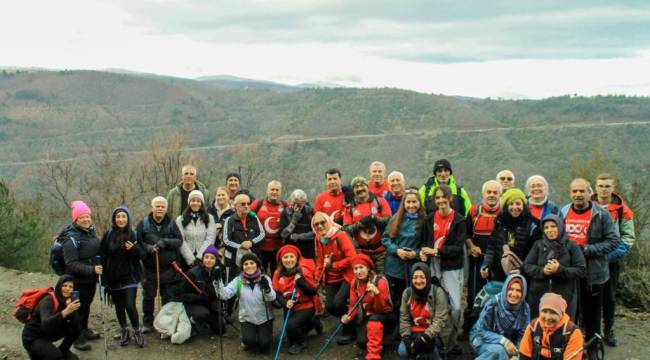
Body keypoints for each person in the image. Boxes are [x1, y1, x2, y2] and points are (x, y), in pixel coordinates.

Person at [560, 178, 618, 347]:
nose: (578, 195)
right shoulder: (563, 212)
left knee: (592, 313)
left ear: (589, 193)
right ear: (570, 193)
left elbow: (613, 241)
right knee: (570, 311)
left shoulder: (601, 214)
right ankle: (570, 347)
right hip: (568, 271)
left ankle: (593, 347)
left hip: (593, 272)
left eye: (581, 191)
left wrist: (586, 249)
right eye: (574, 191)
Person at [420, 184, 466, 355]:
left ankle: (452, 340)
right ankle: (436, 342)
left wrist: (437, 251)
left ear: (450, 199)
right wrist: (424, 253)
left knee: (455, 307)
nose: (440, 201)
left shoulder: (459, 220)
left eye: (443, 197)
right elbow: (425, 242)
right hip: (432, 266)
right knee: (432, 304)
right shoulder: (429, 218)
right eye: (437, 198)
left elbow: (458, 247)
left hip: (451, 267)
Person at [592, 173, 635, 347]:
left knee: (609, 297)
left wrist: (608, 256)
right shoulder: (587, 206)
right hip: (590, 260)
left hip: (611, 261)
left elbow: (628, 238)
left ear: (613, 187)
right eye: (601, 185)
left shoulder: (622, 209)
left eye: (607, 186)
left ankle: (608, 330)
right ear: (595, 187)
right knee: (589, 295)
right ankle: (589, 329)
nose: (604, 189)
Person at [522, 214, 585, 319]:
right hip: (538, 296)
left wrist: (559, 270)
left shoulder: (572, 246)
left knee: (562, 327)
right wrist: (542, 271)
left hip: (565, 296)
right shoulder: (538, 245)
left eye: (553, 226)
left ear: (560, 227)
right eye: (546, 227)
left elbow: (581, 270)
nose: (549, 230)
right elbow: (527, 266)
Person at [99, 205, 145, 347]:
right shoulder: (108, 235)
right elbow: (103, 255)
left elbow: (142, 254)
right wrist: (104, 277)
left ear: (128, 219)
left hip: (129, 277)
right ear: (114, 219)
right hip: (112, 278)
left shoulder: (134, 234)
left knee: (130, 306)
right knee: (119, 306)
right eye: (118, 217)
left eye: (123, 216)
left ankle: (137, 331)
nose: (120, 219)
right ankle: (124, 330)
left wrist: (134, 249)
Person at [136, 196, 183, 333]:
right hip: (149, 268)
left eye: (162, 206)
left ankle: (165, 322)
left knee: (167, 296)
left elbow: (179, 241)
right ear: (152, 207)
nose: (160, 209)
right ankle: (147, 323)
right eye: (157, 206)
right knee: (149, 296)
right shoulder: (143, 223)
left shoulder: (171, 223)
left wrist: (165, 242)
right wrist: (149, 248)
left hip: (168, 268)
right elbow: (137, 242)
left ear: (166, 209)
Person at [61, 200, 102, 351]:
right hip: (76, 281)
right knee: (76, 309)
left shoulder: (90, 231)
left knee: (85, 307)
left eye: (87, 216)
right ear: (75, 219)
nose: (85, 219)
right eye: (81, 217)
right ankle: (76, 338)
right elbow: (71, 264)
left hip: (89, 280)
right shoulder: (70, 238)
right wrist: (92, 269)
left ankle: (84, 330)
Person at [381, 188, 425, 326]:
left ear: (419, 203)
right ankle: (397, 325)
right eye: (408, 202)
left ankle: (412, 323)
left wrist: (415, 253)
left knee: (412, 297)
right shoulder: (396, 218)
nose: (411, 205)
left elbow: (426, 243)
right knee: (396, 298)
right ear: (404, 203)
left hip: (413, 267)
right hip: (394, 267)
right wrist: (397, 250)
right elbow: (386, 239)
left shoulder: (424, 221)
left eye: (414, 202)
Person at [312, 211, 357, 344]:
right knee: (330, 307)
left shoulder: (340, 236)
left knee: (338, 302)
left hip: (346, 276)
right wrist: (317, 278)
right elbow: (320, 260)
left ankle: (350, 330)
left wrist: (334, 265)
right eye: (316, 224)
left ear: (328, 221)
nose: (320, 226)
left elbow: (352, 257)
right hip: (331, 278)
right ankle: (351, 319)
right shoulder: (319, 238)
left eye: (322, 222)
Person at [219, 253, 275, 353]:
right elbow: (224, 295)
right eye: (246, 264)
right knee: (249, 341)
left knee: (264, 344)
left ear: (257, 264)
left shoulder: (265, 279)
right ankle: (248, 338)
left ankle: (264, 336)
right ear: (242, 267)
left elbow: (272, 298)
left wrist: (267, 289)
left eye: (252, 263)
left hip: (264, 318)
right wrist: (218, 280)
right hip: (247, 318)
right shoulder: (238, 281)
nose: (249, 266)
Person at [341, 253, 393, 360]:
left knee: (375, 320)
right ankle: (380, 337)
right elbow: (353, 305)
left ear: (368, 268)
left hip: (385, 314)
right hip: (370, 316)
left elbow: (381, 309)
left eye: (361, 267)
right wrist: (348, 316)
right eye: (355, 268)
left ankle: (374, 355)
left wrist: (377, 294)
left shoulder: (380, 281)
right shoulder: (355, 283)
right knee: (361, 342)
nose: (358, 271)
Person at [482, 189, 541, 282]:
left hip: (523, 275)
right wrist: (486, 264)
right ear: (506, 206)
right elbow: (492, 246)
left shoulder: (533, 224)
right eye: (511, 204)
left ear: (524, 205)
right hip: (499, 273)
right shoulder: (500, 221)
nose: (514, 207)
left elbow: (535, 254)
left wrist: (522, 269)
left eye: (518, 204)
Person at [271, 245, 320, 355]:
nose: (289, 260)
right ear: (281, 260)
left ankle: (302, 342)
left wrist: (301, 282)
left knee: (291, 326)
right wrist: (284, 302)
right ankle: (312, 323)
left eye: (291, 256)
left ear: (297, 258)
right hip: (289, 306)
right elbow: (277, 292)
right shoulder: (277, 273)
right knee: (290, 338)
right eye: (285, 257)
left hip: (305, 306)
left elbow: (313, 291)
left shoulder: (303, 272)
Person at [470, 274, 530, 360]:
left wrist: (516, 354)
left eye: (518, 290)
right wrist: (504, 341)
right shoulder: (493, 304)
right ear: (505, 289)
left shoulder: (525, 308)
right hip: (481, 339)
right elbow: (481, 330)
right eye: (511, 289)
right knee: (500, 351)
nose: (514, 294)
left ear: (523, 292)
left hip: (507, 343)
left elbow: (523, 335)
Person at [21, 275, 82, 360]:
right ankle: (37, 353)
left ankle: (64, 349)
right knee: (56, 356)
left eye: (70, 287)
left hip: (47, 333)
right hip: (33, 337)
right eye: (64, 286)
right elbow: (46, 324)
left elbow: (77, 323)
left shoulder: (66, 300)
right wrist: (67, 311)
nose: (67, 289)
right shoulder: (48, 300)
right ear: (59, 286)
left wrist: (72, 310)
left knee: (77, 327)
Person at [398, 263, 449, 360]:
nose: (418, 281)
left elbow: (440, 319)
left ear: (428, 277)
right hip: (414, 330)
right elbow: (404, 318)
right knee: (403, 351)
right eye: (415, 277)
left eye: (422, 277)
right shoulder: (407, 293)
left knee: (428, 348)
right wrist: (406, 337)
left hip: (434, 332)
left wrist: (425, 336)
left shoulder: (438, 292)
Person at [343, 176, 392, 273]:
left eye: (362, 185)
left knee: (381, 279)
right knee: (364, 281)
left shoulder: (380, 202)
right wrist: (360, 224)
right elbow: (346, 230)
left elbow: (390, 222)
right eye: (356, 187)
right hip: (362, 253)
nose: (359, 189)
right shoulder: (350, 208)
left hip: (381, 252)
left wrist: (375, 219)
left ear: (367, 186)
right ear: (353, 190)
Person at [466, 180, 502, 307]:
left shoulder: (504, 214)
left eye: (495, 192)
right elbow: (466, 233)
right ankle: (472, 323)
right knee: (475, 294)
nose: (491, 195)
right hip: (477, 260)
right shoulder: (474, 211)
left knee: (496, 294)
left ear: (500, 195)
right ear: (483, 194)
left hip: (497, 263)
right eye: (489, 192)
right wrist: (471, 246)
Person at [519, 293, 584, 360]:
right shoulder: (533, 326)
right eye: (544, 311)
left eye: (553, 312)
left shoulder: (572, 333)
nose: (548, 317)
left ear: (561, 314)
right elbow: (524, 355)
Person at [180, 245, 226, 337]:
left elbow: (221, 290)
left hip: (210, 303)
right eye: (206, 257)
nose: (208, 260)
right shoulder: (193, 273)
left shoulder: (218, 273)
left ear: (216, 260)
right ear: (202, 258)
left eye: (212, 258)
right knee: (202, 313)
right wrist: (197, 297)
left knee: (220, 328)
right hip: (195, 304)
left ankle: (207, 321)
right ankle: (192, 321)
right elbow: (182, 295)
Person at [222, 194, 265, 284]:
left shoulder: (254, 218)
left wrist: (251, 242)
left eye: (248, 204)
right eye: (243, 204)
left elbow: (262, 235)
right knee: (233, 284)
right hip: (233, 261)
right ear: (235, 206)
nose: (246, 206)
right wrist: (241, 247)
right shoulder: (229, 220)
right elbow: (226, 241)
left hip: (252, 259)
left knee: (254, 284)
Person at [249, 180, 286, 274]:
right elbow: (246, 216)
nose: (274, 192)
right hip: (260, 247)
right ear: (267, 190)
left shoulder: (285, 205)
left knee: (277, 274)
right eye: (272, 189)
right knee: (260, 274)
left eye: (277, 190)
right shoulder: (258, 204)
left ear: (280, 192)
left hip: (278, 247)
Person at [176, 190, 217, 268]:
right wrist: (190, 259)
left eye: (198, 201)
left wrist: (199, 257)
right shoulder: (180, 219)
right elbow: (181, 240)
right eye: (193, 200)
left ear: (202, 203)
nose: (195, 203)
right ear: (189, 203)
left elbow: (210, 238)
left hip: (204, 258)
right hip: (185, 259)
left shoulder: (209, 218)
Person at [280, 189, 315, 262]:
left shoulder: (310, 212)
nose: (296, 206)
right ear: (291, 201)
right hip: (291, 250)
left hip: (308, 250)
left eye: (299, 204)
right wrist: (294, 221)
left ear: (304, 202)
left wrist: (299, 237)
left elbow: (316, 233)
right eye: (294, 203)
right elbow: (283, 234)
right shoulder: (286, 212)